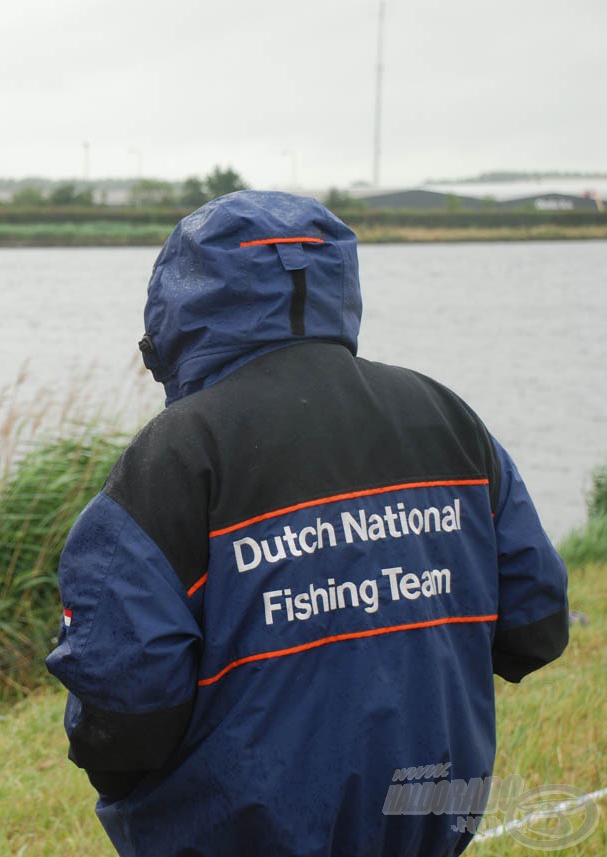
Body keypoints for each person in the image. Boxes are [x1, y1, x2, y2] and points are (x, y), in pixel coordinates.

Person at [46, 191, 568, 856]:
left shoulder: (173, 458)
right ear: (337, 286)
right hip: (431, 820)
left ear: (179, 311)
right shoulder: (447, 417)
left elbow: (123, 714)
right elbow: (536, 626)